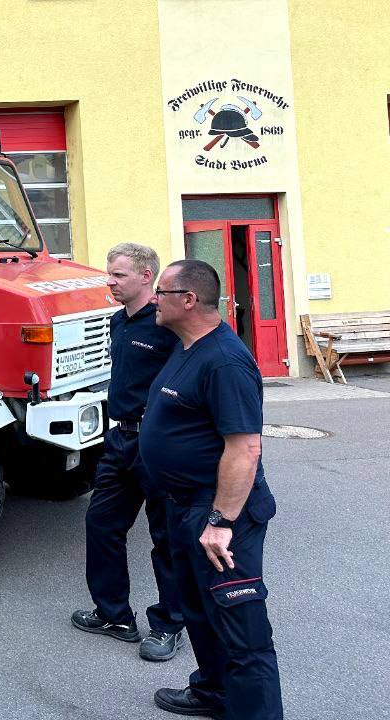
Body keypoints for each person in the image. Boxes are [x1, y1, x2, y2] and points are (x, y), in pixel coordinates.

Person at [142, 259, 283, 720]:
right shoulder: (187, 345)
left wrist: (221, 522)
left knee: (242, 630)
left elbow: (245, 449)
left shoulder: (224, 360)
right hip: (183, 506)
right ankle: (213, 692)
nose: (153, 300)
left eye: (160, 292)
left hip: (220, 513)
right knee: (199, 612)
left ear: (188, 300)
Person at [72, 243, 186, 661]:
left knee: (166, 537)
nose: (110, 281)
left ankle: (169, 625)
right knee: (102, 524)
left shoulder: (168, 325)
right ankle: (114, 614)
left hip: (157, 444)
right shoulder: (117, 322)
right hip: (120, 440)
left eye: (118, 275)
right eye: (109, 273)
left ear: (145, 276)